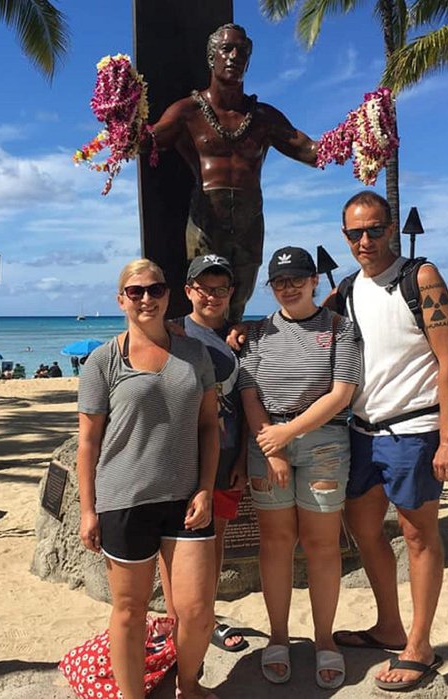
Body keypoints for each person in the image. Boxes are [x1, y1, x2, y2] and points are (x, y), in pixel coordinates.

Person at [327, 190, 448, 692]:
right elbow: (303, 320)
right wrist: (243, 335)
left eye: (374, 229)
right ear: (344, 236)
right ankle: (389, 624)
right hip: (362, 431)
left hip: (415, 430)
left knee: (418, 535)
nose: (365, 240)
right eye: (354, 233)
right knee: (362, 528)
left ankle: (420, 645)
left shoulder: (419, 277)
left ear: (390, 229)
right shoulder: (347, 288)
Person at [77, 258, 220, 699]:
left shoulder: (195, 354)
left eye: (154, 290)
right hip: (124, 500)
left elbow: (210, 425)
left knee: (197, 610)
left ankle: (188, 684)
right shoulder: (103, 361)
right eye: (135, 291)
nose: (146, 298)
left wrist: (206, 489)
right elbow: (88, 442)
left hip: (184, 499)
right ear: (121, 299)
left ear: (168, 295)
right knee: (130, 610)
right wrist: (88, 509)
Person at [239, 247, 360, 689]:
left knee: (322, 545)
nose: (288, 288)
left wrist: (287, 436)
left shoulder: (340, 328)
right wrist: (271, 445)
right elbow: (249, 391)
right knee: (275, 542)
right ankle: (278, 636)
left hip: (324, 443)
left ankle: (325, 640)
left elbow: (342, 392)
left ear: (313, 281)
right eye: (279, 281)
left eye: (296, 279)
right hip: (266, 441)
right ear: (270, 288)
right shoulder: (255, 333)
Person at [151, 23, 318, 323]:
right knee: (206, 296)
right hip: (205, 219)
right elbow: (149, 141)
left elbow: (310, 151)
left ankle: (237, 360)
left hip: (248, 221)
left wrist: (359, 136)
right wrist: (122, 122)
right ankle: (201, 356)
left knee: (238, 301)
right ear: (211, 56)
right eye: (227, 48)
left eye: (242, 51)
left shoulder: (263, 117)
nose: (234, 56)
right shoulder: (188, 111)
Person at [177, 254, 248, 654]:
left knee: (214, 541)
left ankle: (209, 615)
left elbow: (250, 402)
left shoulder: (243, 338)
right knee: (182, 543)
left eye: (221, 289)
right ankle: (182, 616)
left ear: (231, 293)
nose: (212, 296)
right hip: (184, 457)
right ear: (189, 291)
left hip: (227, 455)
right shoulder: (173, 334)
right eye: (204, 288)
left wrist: (241, 460)